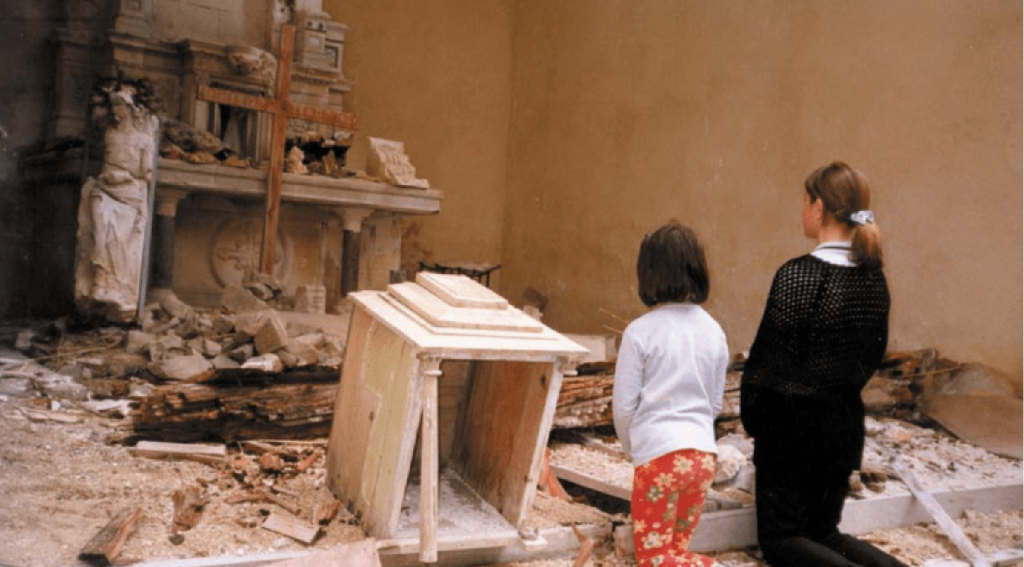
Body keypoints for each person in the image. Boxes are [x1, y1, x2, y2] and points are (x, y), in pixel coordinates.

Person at [740, 162, 908, 567]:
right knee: (823, 533)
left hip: (789, 433)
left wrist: (755, 423)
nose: (803, 211)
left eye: (805, 202)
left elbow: (766, 366)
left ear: (818, 207)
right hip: (843, 429)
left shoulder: (797, 275)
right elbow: (870, 358)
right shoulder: (874, 279)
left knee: (781, 540)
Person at [613, 221, 729, 567]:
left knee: (654, 558)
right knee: (676, 552)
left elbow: (623, 407)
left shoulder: (639, 332)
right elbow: (715, 404)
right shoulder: (714, 330)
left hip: (658, 455)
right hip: (702, 456)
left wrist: (633, 449)